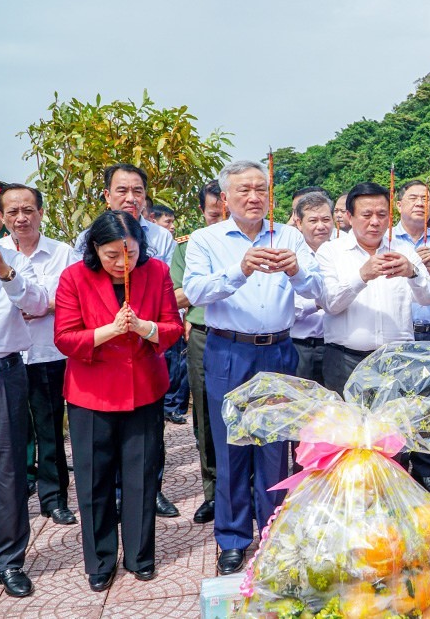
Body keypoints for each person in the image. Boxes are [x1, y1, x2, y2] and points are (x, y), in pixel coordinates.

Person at [184, 160, 323, 575]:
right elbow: (195, 291)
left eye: (261, 189)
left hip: (278, 350)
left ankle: (273, 531)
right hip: (229, 350)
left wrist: (296, 270)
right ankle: (232, 537)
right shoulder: (206, 239)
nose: (254, 197)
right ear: (225, 198)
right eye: (244, 190)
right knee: (231, 447)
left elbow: (318, 288)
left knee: (275, 447)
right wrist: (240, 269)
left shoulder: (290, 236)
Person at [54, 210, 183, 591]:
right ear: (95, 248)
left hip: (143, 389)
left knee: (141, 476)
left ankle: (140, 556)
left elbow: (173, 327)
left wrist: (146, 327)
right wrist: (109, 331)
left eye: (130, 254)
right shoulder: (74, 277)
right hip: (91, 393)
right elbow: (65, 338)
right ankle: (100, 560)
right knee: (94, 480)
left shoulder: (156, 272)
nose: (121, 263)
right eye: (111, 255)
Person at [0, 185, 79, 526]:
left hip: (47, 352)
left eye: (28, 210)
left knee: (49, 429)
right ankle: (18, 496)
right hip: (6, 358)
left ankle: (54, 497)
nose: (21, 218)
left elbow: (76, 295)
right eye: (13, 212)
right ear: (1, 217)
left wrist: (43, 305)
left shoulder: (63, 253)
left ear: (41, 213)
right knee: (12, 436)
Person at [316, 182, 430, 392]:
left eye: (382, 215)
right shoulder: (330, 252)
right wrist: (362, 276)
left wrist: (412, 272)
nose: (375, 222)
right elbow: (330, 304)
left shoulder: (405, 250)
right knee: (347, 414)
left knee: (397, 414)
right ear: (349, 216)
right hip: (346, 360)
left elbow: (429, 298)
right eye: (366, 215)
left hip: (398, 361)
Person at [0, 217, 48, 598]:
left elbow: (38, 303)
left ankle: (8, 561)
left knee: (9, 470)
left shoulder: (12, 259)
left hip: (3, 373)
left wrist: (6, 274)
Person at [168, 180, 227, 524]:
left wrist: (203, 286)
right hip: (204, 334)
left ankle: (252, 488)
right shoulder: (189, 246)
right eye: (213, 215)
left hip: (248, 336)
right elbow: (176, 295)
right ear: (202, 212)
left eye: (225, 215)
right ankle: (213, 491)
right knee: (204, 412)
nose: (220, 222)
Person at [391, 180, 430, 496]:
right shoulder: (387, 240)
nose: (420, 203)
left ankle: (426, 469)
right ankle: (395, 467)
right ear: (398, 204)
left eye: (426, 198)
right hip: (399, 333)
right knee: (396, 403)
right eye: (413, 198)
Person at [74, 164, 176, 265]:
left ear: (145, 195)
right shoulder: (87, 238)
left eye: (137, 191)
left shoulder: (162, 236)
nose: (131, 198)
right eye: (122, 191)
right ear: (108, 196)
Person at [291, 191, 333, 383]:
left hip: (334, 348)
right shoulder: (290, 256)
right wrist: (318, 302)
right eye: (313, 220)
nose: (321, 226)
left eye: (326, 219)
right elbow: (286, 307)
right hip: (299, 346)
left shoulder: (342, 252)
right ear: (299, 223)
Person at [154, 201, 188, 425]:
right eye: (167, 222)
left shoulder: (176, 246)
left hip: (172, 314)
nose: (172, 227)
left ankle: (172, 406)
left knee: (176, 363)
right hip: (152, 316)